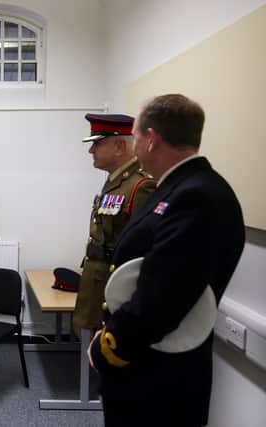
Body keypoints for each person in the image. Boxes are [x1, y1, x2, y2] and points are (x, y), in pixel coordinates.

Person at [88, 94, 245, 427]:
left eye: (136, 135)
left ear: (151, 138)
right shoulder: (175, 188)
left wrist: (107, 346)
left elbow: (161, 296)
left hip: (158, 376)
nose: (134, 144)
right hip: (146, 365)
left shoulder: (196, 196)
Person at [73, 113, 156, 338]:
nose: (91, 151)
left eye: (97, 144)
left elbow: (142, 250)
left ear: (119, 146)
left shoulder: (141, 186)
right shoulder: (115, 182)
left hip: (115, 288)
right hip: (98, 282)